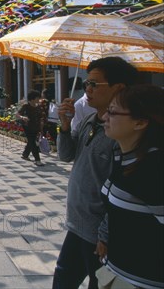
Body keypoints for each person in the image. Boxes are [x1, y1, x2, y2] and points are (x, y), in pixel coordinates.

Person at [54, 57, 138, 289]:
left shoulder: (122, 133)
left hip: (100, 234)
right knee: (63, 280)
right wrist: (64, 124)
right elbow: (66, 156)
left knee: (98, 283)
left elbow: (123, 186)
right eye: (85, 84)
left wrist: (106, 232)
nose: (87, 90)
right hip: (77, 224)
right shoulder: (91, 119)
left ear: (118, 88)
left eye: (94, 84)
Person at [95, 85, 163, 289]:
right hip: (116, 273)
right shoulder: (124, 158)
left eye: (113, 112)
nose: (104, 117)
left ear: (140, 122)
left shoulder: (154, 169)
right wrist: (105, 236)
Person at [16, 90, 45, 167]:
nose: (39, 99)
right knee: (33, 142)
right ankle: (37, 160)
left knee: (31, 142)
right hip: (27, 126)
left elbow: (40, 117)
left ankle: (25, 154)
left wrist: (41, 127)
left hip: (36, 127)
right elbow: (17, 114)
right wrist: (23, 117)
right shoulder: (25, 106)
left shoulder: (38, 107)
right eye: (37, 98)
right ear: (32, 99)